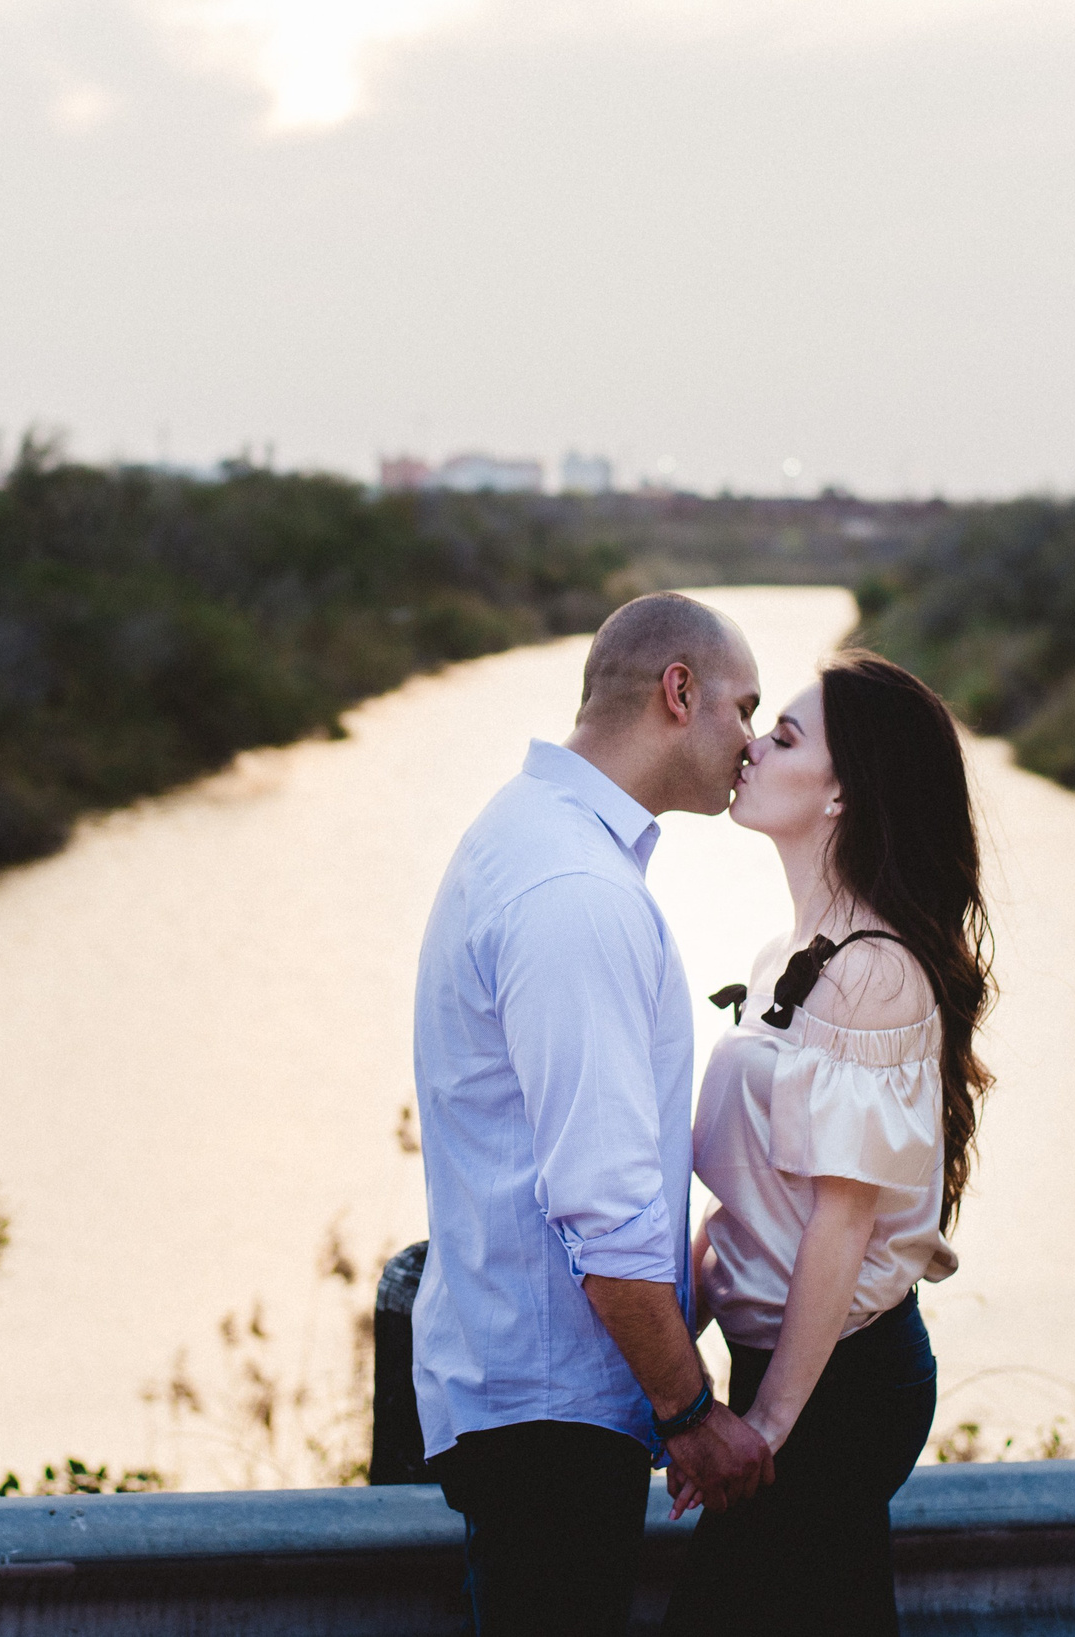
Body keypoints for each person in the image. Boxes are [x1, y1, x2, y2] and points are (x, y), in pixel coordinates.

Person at [411, 592, 778, 1637]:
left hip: (526, 1395)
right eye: (741, 708)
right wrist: (690, 1411)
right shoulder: (573, 888)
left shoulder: (530, 834)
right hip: (550, 1416)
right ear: (678, 691)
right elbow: (599, 1205)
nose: (750, 742)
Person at [662, 649, 994, 1636]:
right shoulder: (791, 955)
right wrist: (682, 1351)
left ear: (843, 792)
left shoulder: (872, 973)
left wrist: (765, 1426)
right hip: (778, 1361)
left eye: (786, 735)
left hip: (836, 1380)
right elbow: (753, 1196)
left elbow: (839, 1225)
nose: (752, 744)